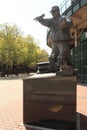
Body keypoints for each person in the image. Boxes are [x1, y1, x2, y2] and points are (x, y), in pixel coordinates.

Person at [34, 6, 74, 74]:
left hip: (63, 42)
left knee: (62, 56)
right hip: (55, 42)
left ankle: (65, 70)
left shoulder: (63, 18)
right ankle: (52, 68)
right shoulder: (51, 20)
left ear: (58, 11)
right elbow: (45, 22)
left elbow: (70, 22)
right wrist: (40, 19)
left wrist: (66, 23)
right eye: (51, 12)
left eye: (53, 12)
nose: (52, 13)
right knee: (52, 57)